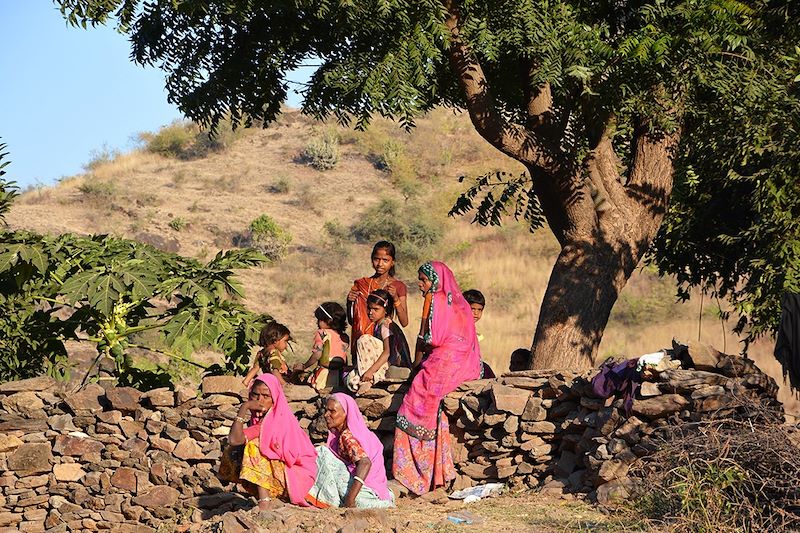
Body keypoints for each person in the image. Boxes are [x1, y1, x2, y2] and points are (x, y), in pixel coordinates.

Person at [393, 261, 481, 495]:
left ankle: (412, 474)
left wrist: (416, 365)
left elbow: (429, 338)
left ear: (437, 281)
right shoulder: (460, 305)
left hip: (441, 364)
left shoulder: (435, 300)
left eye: (424, 280)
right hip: (459, 365)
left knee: (410, 410)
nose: (420, 285)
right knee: (436, 414)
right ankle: (436, 474)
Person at [227, 373, 320, 509]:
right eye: (255, 395)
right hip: (282, 476)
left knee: (253, 446)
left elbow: (292, 458)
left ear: (275, 399)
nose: (260, 401)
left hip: (297, 478)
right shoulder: (260, 423)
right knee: (234, 450)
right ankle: (265, 496)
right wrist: (244, 408)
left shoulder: (282, 420)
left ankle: (264, 502)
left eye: (266, 396)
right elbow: (234, 440)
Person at [308, 393, 395, 508]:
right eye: (326, 410)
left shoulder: (347, 436)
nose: (326, 415)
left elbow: (365, 462)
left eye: (332, 411)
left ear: (346, 414)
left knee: (321, 453)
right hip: (379, 491)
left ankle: (335, 500)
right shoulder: (361, 433)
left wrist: (350, 499)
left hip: (362, 491)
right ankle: (378, 502)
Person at [347, 241, 409, 360]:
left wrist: (395, 298)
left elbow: (404, 321)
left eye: (385, 260)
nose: (380, 264)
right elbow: (352, 321)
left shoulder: (398, 286)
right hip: (363, 341)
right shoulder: (362, 285)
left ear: (392, 262)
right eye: (377, 259)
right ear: (372, 260)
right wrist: (350, 302)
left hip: (385, 339)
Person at [345, 289, 411, 393]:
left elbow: (387, 352)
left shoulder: (385, 325)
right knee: (350, 377)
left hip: (393, 363)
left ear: (386, 310)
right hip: (387, 362)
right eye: (369, 308)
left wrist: (370, 371)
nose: (371, 313)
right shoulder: (378, 325)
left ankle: (368, 380)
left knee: (364, 339)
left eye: (376, 309)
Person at [293, 302, 350, 391]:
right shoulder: (344, 337)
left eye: (319, 320)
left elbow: (318, 353)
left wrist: (305, 366)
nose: (317, 322)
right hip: (339, 375)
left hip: (324, 375)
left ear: (328, 321)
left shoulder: (322, 333)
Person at [243, 322, 293, 387]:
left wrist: (245, 382)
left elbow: (255, 369)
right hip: (279, 382)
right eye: (285, 341)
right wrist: (284, 384)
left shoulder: (261, 353)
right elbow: (274, 370)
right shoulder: (274, 353)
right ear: (275, 340)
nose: (286, 345)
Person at [462, 289, 496, 378]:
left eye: (479, 310)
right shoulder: (459, 328)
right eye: (472, 309)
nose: (476, 313)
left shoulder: (472, 329)